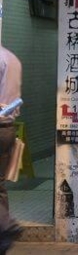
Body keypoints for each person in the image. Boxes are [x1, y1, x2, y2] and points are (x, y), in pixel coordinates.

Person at [0, 47, 22, 254]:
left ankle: (5, 226)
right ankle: (3, 231)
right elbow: (15, 102)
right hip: (7, 129)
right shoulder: (12, 58)